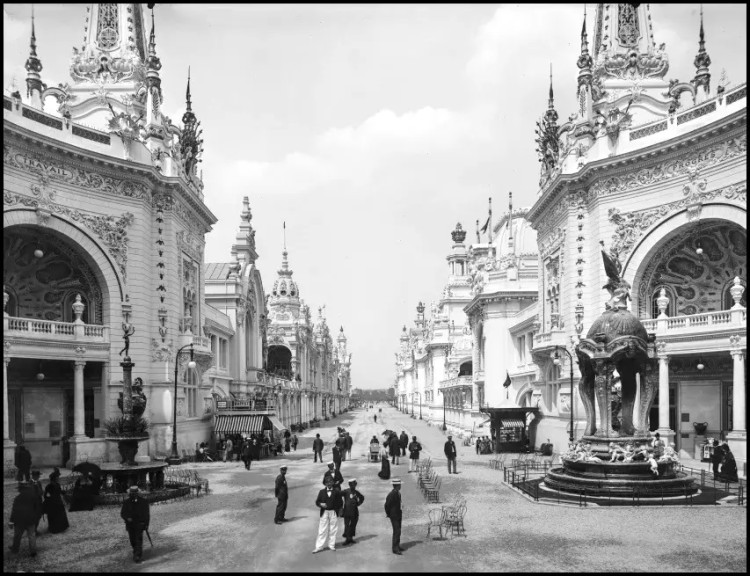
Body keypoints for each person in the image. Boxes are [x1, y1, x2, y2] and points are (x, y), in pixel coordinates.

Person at [9, 482, 42, 557]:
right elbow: (37, 508)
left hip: (19, 521)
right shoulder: (34, 497)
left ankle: (15, 549)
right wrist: (36, 517)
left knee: (17, 536)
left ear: (20, 490)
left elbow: (14, 510)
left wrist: (11, 521)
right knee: (31, 536)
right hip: (31, 520)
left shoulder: (18, 498)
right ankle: (33, 551)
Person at [120, 486, 150, 563]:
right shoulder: (126, 502)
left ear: (138, 493)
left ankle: (137, 555)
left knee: (138, 540)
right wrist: (127, 518)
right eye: (132, 493)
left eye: (135, 493)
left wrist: (146, 524)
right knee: (132, 540)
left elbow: (147, 515)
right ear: (130, 493)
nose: (134, 494)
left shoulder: (144, 502)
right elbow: (123, 513)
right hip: (130, 525)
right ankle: (136, 551)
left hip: (140, 523)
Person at [312, 477, 342, 553]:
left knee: (333, 529)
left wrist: (339, 511)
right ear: (325, 483)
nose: (329, 483)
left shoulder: (337, 491)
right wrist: (320, 504)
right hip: (324, 512)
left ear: (333, 482)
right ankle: (319, 547)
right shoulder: (321, 492)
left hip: (333, 512)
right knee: (322, 529)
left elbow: (340, 503)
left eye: (330, 481)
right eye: (327, 482)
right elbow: (317, 502)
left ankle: (331, 545)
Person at [43, 468, 69, 534]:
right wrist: (50, 499)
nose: (58, 478)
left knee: (59, 515)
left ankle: (59, 528)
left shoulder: (57, 485)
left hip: (58, 502)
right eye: (57, 477)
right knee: (55, 516)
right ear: (54, 478)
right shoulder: (49, 486)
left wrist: (64, 492)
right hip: (53, 503)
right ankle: (55, 528)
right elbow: (46, 495)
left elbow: (59, 492)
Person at [384, 478, 405, 555]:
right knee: (396, 531)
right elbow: (386, 505)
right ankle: (395, 548)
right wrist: (389, 514)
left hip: (398, 514)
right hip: (394, 516)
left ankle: (397, 545)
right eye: (400, 485)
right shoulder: (392, 494)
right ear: (396, 486)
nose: (400, 486)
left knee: (398, 531)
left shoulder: (398, 493)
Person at [341, 478, 365, 546]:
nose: (353, 486)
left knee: (353, 525)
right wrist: (341, 505)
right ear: (349, 485)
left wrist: (358, 503)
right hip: (347, 512)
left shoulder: (356, 492)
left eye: (354, 485)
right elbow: (338, 494)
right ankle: (347, 539)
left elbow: (362, 497)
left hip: (354, 512)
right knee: (347, 525)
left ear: (355, 485)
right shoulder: (346, 491)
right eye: (351, 485)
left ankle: (350, 538)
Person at [30, 470, 44, 535]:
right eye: (38, 476)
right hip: (32, 504)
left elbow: (41, 492)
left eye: (39, 476)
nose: (38, 477)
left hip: (39, 502)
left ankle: (35, 529)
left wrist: (40, 492)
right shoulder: (29, 483)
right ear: (33, 476)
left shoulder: (39, 482)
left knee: (38, 516)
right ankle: (33, 531)